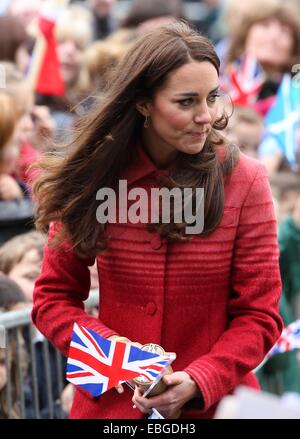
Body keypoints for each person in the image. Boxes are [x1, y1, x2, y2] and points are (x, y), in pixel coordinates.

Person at [32, 22, 282, 419]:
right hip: (110, 408)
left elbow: (260, 315)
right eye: (186, 102)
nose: (206, 116)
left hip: (216, 405)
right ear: (143, 103)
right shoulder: (94, 177)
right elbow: (52, 301)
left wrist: (201, 379)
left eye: (212, 97)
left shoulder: (245, 180)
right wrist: (123, 361)